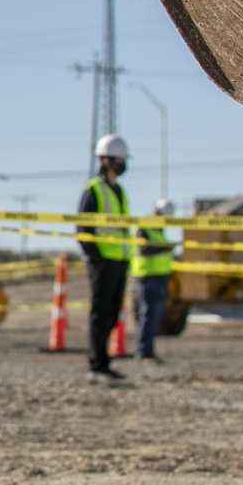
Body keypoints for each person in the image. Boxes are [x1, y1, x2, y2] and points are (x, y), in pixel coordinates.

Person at [77, 134, 133, 382]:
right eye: (117, 160)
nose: (121, 164)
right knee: (100, 314)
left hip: (119, 260)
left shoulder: (119, 190)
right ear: (104, 159)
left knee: (112, 314)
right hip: (102, 262)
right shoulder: (93, 190)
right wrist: (96, 258)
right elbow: (83, 229)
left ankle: (104, 362)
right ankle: (96, 365)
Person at [133, 199, 176, 362]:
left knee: (154, 316)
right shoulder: (145, 227)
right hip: (147, 277)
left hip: (159, 277)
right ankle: (143, 351)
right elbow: (144, 249)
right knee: (148, 314)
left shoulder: (159, 230)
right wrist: (166, 248)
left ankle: (148, 351)